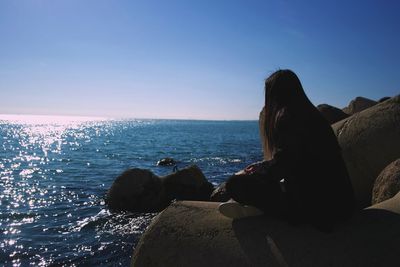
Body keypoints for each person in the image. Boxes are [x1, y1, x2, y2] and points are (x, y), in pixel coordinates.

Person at [219, 69, 355, 232]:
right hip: (342, 204)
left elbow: (282, 167)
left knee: (234, 184)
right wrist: (264, 166)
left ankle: (257, 207)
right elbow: (297, 159)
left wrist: (257, 174)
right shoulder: (315, 117)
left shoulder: (286, 117)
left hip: (317, 210)